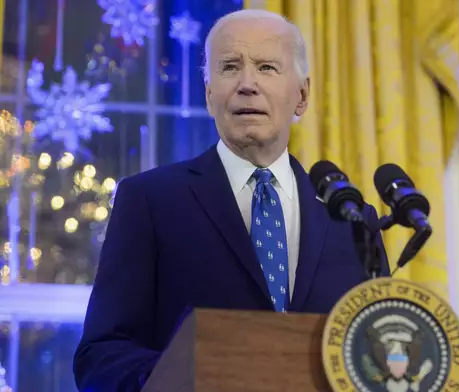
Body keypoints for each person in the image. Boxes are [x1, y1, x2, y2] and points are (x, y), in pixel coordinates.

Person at [73, 9, 389, 392]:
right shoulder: (150, 201)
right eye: (229, 67)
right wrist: (192, 375)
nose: (247, 84)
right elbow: (101, 355)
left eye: (267, 67)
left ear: (301, 96)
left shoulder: (352, 220)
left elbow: (381, 353)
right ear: (209, 95)